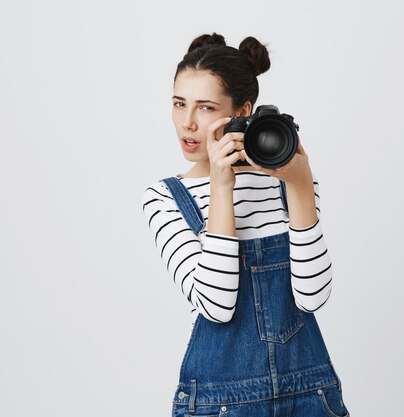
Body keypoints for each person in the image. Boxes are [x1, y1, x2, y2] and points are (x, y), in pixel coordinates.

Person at [141, 32, 350, 417]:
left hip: (309, 396)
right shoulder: (166, 198)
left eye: (205, 108)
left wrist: (302, 186)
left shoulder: (287, 184)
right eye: (178, 104)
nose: (187, 123)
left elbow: (312, 297)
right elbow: (217, 306)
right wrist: (221, 186)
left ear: (242, 111)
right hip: (221, 406)